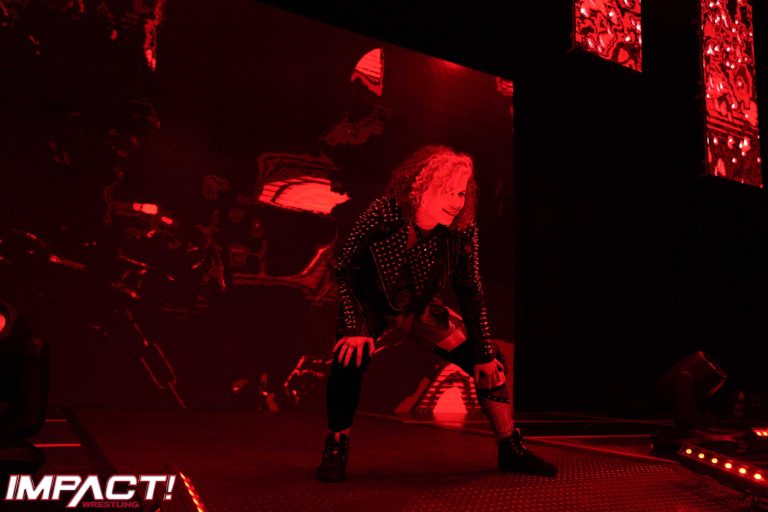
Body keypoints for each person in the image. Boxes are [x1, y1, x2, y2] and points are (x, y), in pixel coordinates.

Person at [316, 145, 556, 482]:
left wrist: (484, 353)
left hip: (419, 309)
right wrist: (355, 326)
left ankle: (509, 447)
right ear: (421, 187)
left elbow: (470, 289)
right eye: (447, 191)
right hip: (370, 304)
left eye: (461, 192)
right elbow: (346, 269)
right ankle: (336, 446)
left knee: (491, 361)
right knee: (349, 358)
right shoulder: (384, 212)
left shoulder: (461, 230)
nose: (456, 201)